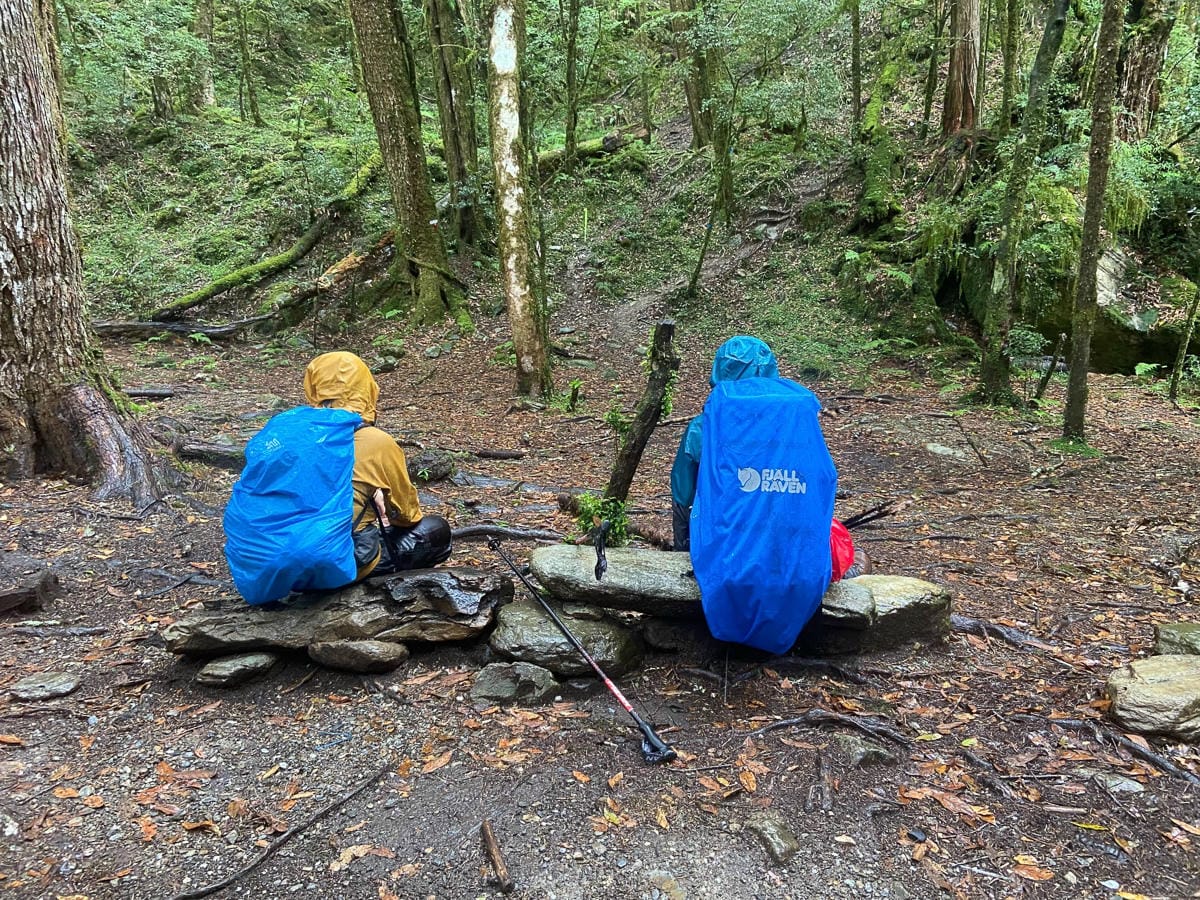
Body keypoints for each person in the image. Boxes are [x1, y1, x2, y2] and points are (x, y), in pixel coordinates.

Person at [669, 336, 869, 580]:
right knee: (855, 556)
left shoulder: (702, 429)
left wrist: (685, 552)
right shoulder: (795, 428)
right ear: (770, 372)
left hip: (725, 551)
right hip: (787, 552)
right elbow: (817, 485)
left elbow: (682, 499)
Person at [303, 351, 451, 577]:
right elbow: (407, 516)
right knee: (437, 530)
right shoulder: (375, 441)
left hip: (273, 562)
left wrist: (367, 494)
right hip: (333, 562)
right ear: (367, 389)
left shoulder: (291, 437)